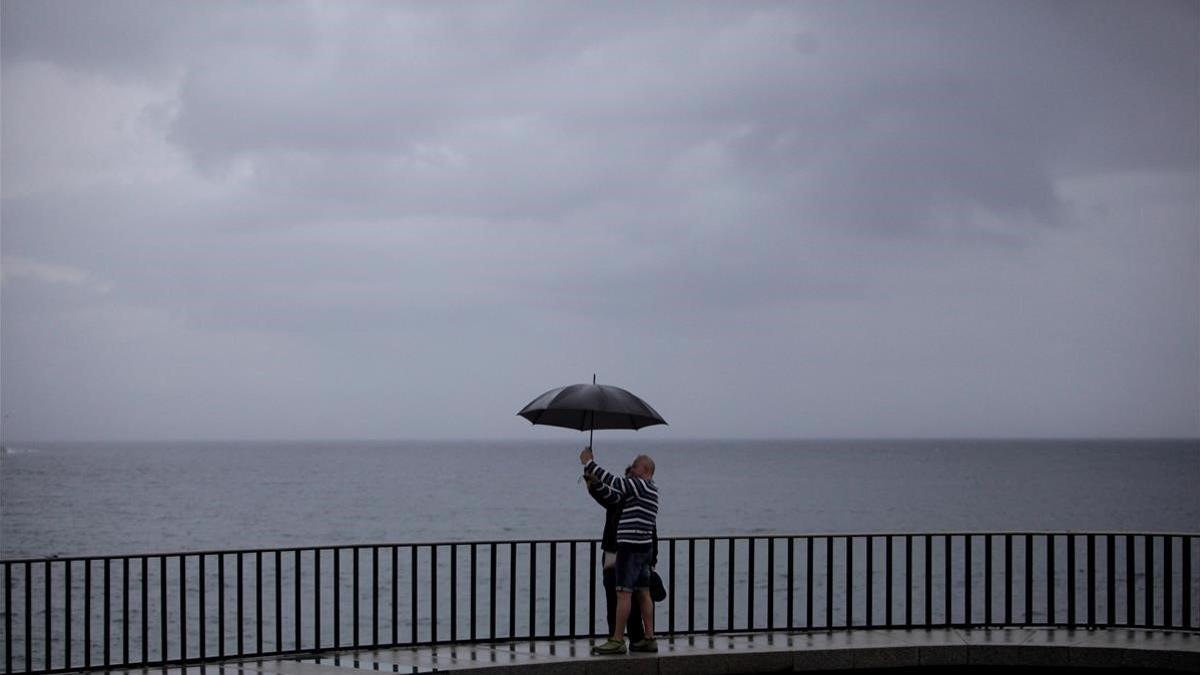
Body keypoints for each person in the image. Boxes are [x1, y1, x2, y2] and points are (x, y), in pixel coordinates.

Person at [579, 447, 659, 655]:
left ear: (645, 468)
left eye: (635, 466)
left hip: (629, 548)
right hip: (644, 549)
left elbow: (615, 482)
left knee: (622, 593)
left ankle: (617, 639)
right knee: (643, 592)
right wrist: (594, 484)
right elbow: (614, 498)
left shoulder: (639, 485)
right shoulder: (651, 490)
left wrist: (589, 463)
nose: (631, 469)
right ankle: (649, 638)